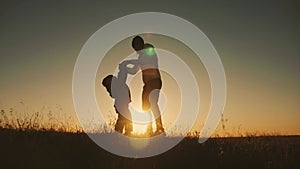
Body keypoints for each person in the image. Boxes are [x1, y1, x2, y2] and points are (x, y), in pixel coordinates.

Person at [120, 35, 164, 135]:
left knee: (153, 104)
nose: (136, 50)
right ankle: (149, 129)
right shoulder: (140, 57)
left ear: (140, 43)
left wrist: (128, 61)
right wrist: (124, 68)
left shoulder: (149, 50)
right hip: (147, 84)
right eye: (135, 49)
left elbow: (144, 61)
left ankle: (160, 128)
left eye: (136, 47)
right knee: (145, 107)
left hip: (155, 81)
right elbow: (134, 71)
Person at [102, 63, 132, 136]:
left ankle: (121, 132)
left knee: (123, 116)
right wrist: (122, 69)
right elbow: (122, 76)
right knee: (124, 116)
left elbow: (122, 76)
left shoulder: (117, 84)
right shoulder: (117, 84)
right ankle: (123, 131)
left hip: (121, 100)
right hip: (121, 100)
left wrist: (122, 69)